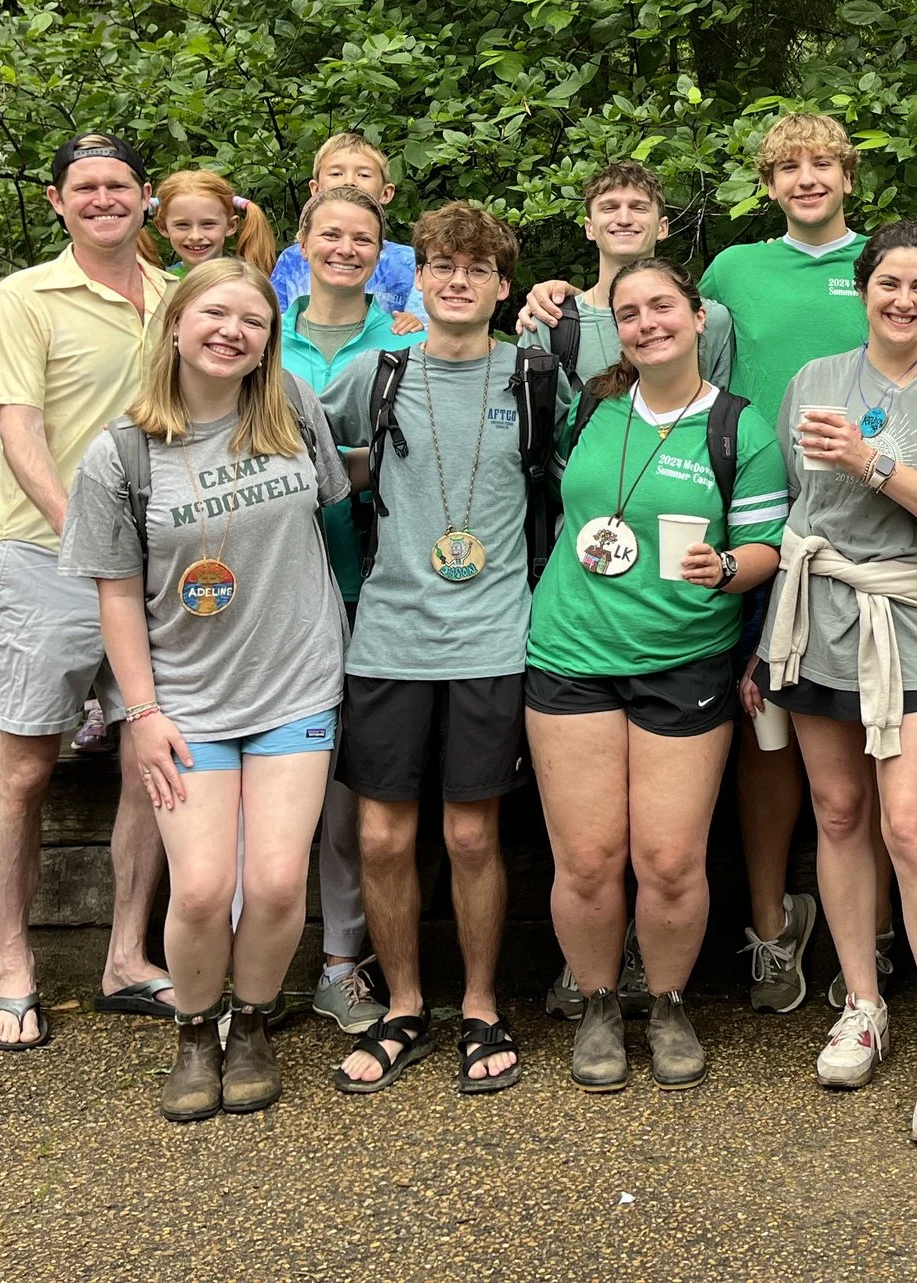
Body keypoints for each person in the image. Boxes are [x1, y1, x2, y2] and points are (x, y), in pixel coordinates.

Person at [59, 258, 350, 1119]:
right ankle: (195, 1030)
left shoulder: (293, 407)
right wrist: (140, 713)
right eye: (215, 314)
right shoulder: (120, 455)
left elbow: (335, 507)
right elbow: (115, 594)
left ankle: (252, 1020)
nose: (233, 332)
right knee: (197, 886)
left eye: (253, 321)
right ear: (177, 324)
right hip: (184, 699)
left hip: (297, 682)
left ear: (269, 341)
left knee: (273, 883)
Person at [747, 220, 917, 1143]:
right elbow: (790, 506)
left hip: (915, 620)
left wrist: (873, 461)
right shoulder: (815, 380)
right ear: (863, 289)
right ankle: (861, 1001)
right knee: (839, 813)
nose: (903, 300)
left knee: (910, 822)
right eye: (888, 283)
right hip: (819, 616)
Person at [522, 255, 787, 1092]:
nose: (647, 323)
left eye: (662, 306)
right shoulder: (592, 407)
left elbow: (765, 551)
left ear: (698, 315)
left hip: (683, 660)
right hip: (570, 653)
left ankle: (667, 1001)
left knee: (670, 859)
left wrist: (727, 567)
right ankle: (599, 1001)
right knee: (590, 859)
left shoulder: (741, 426)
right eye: (630, 312)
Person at [321, 204, 538, 1099]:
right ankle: (404, 1003)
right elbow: (293, 440)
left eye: (476, 268)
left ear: (502, 286)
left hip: (492, 635)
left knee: (471, 832)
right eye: (442, 265)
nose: (457, 280)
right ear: (415, 279)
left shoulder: (534, 377)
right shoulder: (375, 370)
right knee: (380, 834)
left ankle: (481, 1002)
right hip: (389, 636)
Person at [0, 132, 175, 1048]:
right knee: (26, 766)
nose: (102, 199)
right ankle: (14, 967)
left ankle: (128, 957)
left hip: (155, 571)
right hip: (44, 562)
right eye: (84, 187)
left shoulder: (176, 297)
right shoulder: (24, 296)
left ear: (147, 197)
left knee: (149, 761)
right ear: (58, 201)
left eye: (118, 185)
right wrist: (86, 536)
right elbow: (21, 432)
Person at [704, 113, 877, 1012]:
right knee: (764, 724)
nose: (807, 178)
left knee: (872, 729)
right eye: (789, 168)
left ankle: (869, 923)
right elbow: (660, 340)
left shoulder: (878, 262)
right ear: (768, 184)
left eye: (823, 164)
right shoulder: (734, 270)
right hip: (763, 519)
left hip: (870, 521)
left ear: (848, 176)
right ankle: (772, 925)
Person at [276, 186, 411, 1035]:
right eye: (331, 233)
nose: (346, 248)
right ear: (303, 240)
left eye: (363, 238)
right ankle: (239, 970)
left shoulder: (405, 335)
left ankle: (340, 962)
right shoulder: (259, 325)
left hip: (365, 579)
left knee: (345, 792)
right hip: (263, 593)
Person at [512, 160, 736, 392]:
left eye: (639, 207)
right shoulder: (551, 321)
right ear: (589, 228)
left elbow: (719, 415)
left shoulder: (712, 320)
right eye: (609, 208)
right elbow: (535, 422)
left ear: (662, 227)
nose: (624, 219)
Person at [270, 132, 426, 318]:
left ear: (386, 193)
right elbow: (273, 323)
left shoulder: (407, 261)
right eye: (336, 173)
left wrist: (414, 324)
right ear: (315, 189)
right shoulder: (292, 260)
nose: (349, 181)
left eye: (364, 174)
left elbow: (423, 326)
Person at [139, 168, 279, 279]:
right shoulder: (160, 285)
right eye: (182, 225)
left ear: (231, 226)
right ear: (163, 227)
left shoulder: (245, 281)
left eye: (208, 224)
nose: (195, 236)